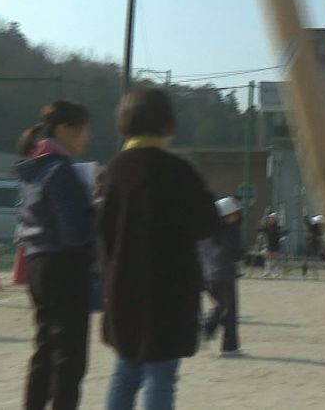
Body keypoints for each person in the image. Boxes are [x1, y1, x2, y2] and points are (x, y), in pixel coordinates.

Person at [98, 87, 218, 410]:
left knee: (125, 370)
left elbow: (102, 232)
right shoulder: (179, 171)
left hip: (122, 286)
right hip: (169, 291)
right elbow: (207, 224)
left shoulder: (112, 172)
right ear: (169, 125)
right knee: (160, 374)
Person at [16, 101, 96, 410]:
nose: (86, 137)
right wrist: (96, 210)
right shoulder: (60, 170)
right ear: (66, 130)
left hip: (37, 263)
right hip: (65, 266)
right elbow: (74, 232)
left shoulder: (34, 167)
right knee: (70, 360)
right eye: (84, 130)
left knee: (45, 352)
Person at [199, 196, 244, 356]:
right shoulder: (231, 230)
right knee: (229, 310)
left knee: (222, 307)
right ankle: (229, 346)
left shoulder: (207, 231)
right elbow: (236, 252)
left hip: (208, 275)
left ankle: (207, 328)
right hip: (225, 274)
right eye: (235, 214)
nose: (237, 217)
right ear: (228, 215)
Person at [301, 213, 325, 279]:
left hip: (315, 243)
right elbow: (307, 223)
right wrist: (305, 216)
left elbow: (307, 223)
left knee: (319, 252)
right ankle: (304, 274)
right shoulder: (314, 226)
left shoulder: (320, 228)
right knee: (305, 259)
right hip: (310, 244)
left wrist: (305, 216)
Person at [261, 211, 284, 278]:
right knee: (268, 257)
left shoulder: (277, 227)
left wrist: (281, 233)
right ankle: (267, 272)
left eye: (272, 219)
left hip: (275, 244)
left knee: (275, 258)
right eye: (270, 218)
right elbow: (261, 230)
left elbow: (280, 234)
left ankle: (275, 272)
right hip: (269, 243)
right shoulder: (267, 226)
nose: (271, 220)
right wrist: (261, 224)